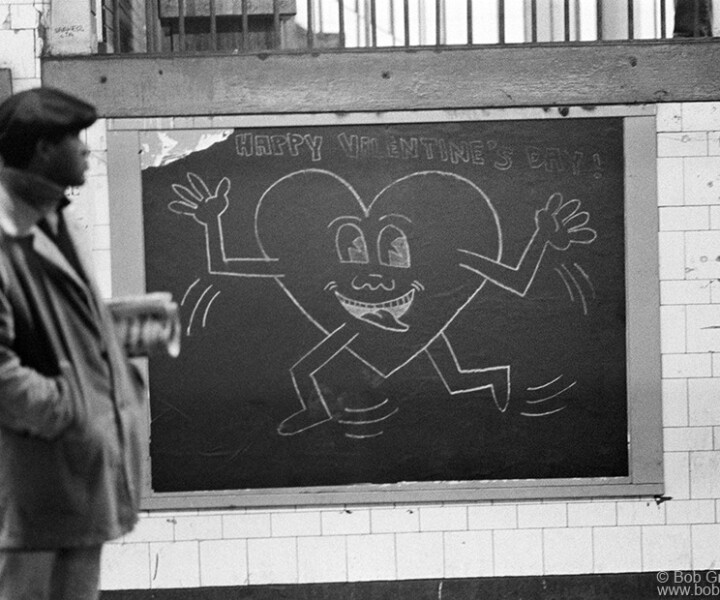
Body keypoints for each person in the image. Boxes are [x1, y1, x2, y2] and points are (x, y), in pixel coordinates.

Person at [0, 88, 146, 599]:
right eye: (75, 139)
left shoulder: (58, 218)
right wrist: (72, 412)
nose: (87, 150)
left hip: (77, 460)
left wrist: (117, 329)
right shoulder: (5, 231)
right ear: (42, 149)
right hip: (34, 464)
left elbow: (54, 325)